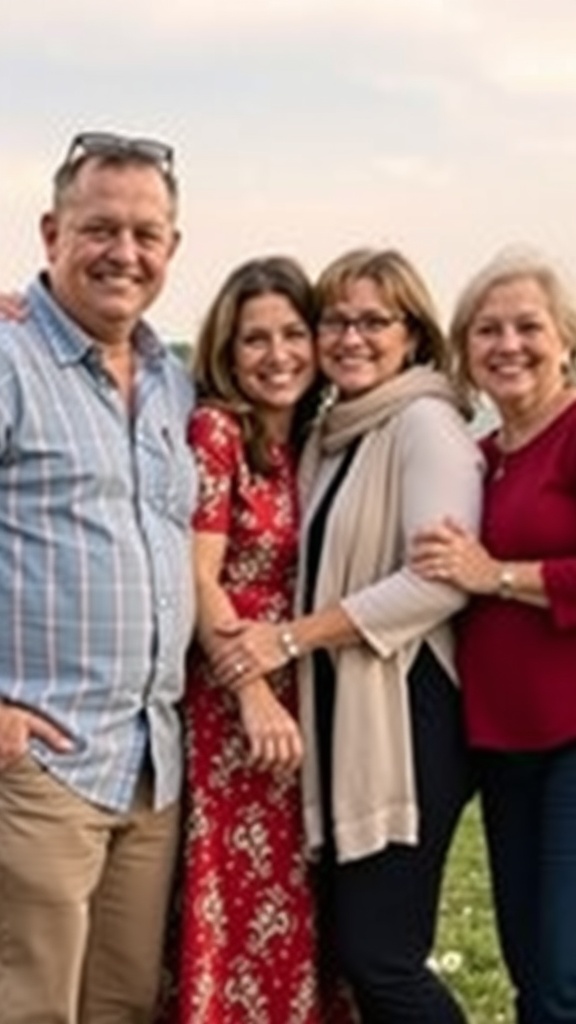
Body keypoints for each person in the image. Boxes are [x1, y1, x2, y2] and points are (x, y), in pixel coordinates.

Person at [210, 248, 484, 1023]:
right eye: (336, 318)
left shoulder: (425, 422)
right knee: (346, 955)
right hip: (346, 716)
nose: (351, 336)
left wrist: (290, 639)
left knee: (381, 959)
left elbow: (438, 579)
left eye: (375, 320)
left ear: (414, 335)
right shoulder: (333, 433)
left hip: (408, 719)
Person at [0, 131, 196, 1024]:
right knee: (29, 1005)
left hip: (150, 765)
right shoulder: (8, 360)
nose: (125, 252)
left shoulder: (171, 381)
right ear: (51, 232)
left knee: (120, 1005)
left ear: (172, 248)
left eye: (146, 233)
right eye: (100, 228)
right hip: (38, 762)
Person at [159, 256, 356, 1024]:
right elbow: (198, 576)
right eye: (254, 340)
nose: (278, 355)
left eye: (293, 333)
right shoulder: (218, 434)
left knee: (297, 903)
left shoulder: (318, 437)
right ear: (225, 351)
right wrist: (249, 695)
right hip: (235, 699)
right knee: (239, 901)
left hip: (305, 687)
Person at [410, 248, 576, 1024]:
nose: (508, 344)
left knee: (560, 974)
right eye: (487, 330)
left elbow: (480, 571)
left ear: (566, 338)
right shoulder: (476, 460)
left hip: (573, 735)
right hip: (504, 745)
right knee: (527, 965)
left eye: (528, 326)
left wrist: (498, 575)